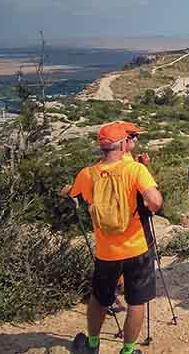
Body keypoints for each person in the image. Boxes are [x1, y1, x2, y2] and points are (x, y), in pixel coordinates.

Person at [62, 121, 163, 354]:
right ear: (123, 144)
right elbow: (156, 200)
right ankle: (128, 350)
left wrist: (67, 192)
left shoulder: (87, 174)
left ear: (102, 147)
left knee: (99, 299)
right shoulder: (135, 170)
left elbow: (71, 193)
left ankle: (92, 344)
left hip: (106, 252)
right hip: (137, 248)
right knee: (136, 302)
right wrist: (148, 207)